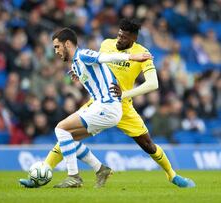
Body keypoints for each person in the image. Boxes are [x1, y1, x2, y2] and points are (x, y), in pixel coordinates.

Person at [20, 19, 195, 188]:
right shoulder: (106, 44)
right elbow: (97, 63)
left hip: (123, 105)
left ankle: (172, 175)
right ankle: (45, 170)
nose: (119, 39)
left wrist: (124, 93)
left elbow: (153, 84)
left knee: (148, 145)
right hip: (100, 102)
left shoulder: (143, 53)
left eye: (124, 37)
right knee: (67, 134)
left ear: (133, 39)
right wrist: (79, 71)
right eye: (119, 34)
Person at [23, 27, 152, 188]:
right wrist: (80, 75)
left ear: (68, 44)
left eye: (57, 46)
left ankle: (74, 177)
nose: (55, 51)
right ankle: (100, 169)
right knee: (68, 138)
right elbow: (93, 75)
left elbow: (105, 57)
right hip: (105, 108)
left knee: (60, 129)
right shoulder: (77, 64)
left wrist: (133, 56)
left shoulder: (83, 54)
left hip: (107, 106)